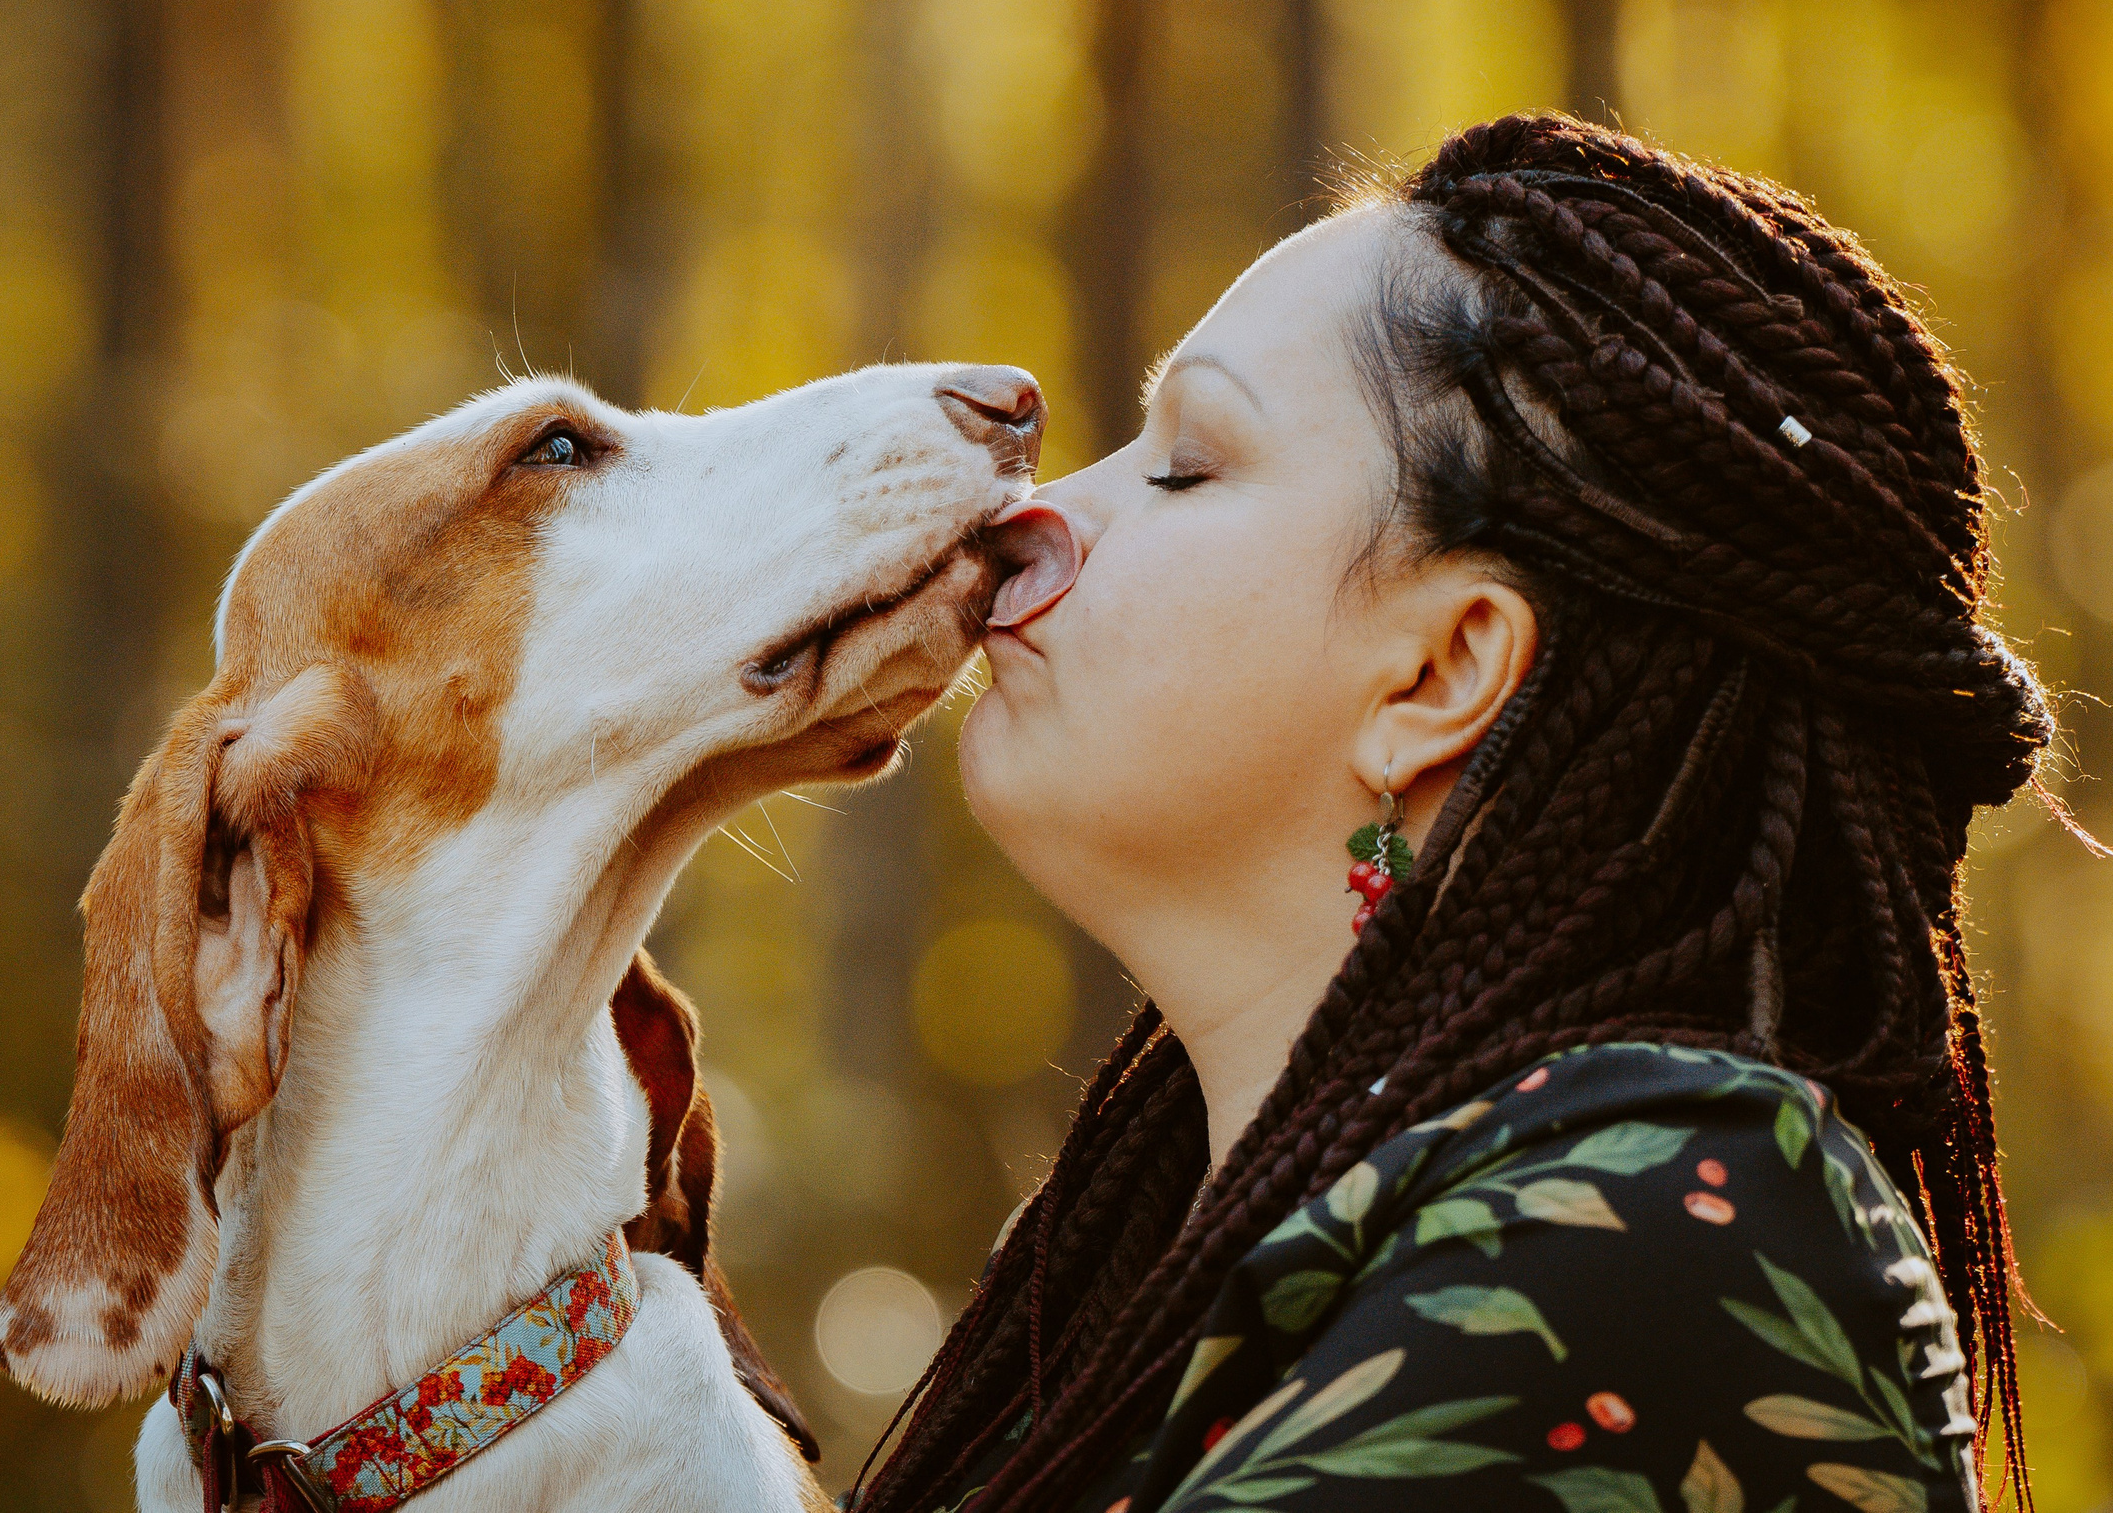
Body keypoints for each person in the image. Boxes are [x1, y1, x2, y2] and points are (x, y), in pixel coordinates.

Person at [856, 113, 2049, 1513]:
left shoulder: (1660, 1222)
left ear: (1439, 672)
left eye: (1187, 464)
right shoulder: (1144, 1277)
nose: (1035, 516)